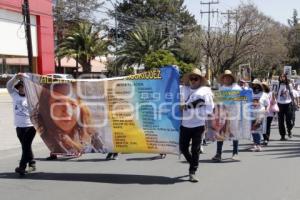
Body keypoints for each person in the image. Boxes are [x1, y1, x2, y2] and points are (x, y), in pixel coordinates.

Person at [31, 82, 104, 155]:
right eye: (58, 102)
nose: (67, 111)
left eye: (72, 104)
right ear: (47, 108)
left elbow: (103, 149)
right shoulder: (48, 138)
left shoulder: (91, 134)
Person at [180, 68, 214, 182]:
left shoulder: (205, 92)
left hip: (198, 125)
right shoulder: (182, 90)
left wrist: (194, 110)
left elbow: (209, 109)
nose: (193, 80)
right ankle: (193, 163)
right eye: (191, 78)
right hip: (184, 124)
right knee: (183, 148)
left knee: (196, 149)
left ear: (200, 80)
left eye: (196, 78)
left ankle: (192, 171)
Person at [7, 73, 37, 175]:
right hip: (19, 126)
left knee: (25, 146)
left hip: (30, 126)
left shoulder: (32, 97)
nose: (21, 89)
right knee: (26, 146)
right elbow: (8, 85)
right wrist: (16, 77)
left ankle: (22, 167)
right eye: (20, 87)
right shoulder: (14, 94)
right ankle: (32, 163)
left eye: (23, 87)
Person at [212, 70, 241, 162]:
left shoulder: (237, 88)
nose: (226, 79)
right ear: (223, 79)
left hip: (234, 114)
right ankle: (218, 153)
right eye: (225, 77)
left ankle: (235, 153)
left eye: (228, 77)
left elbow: (243, 99)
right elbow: (217, 101)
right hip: (223, 114)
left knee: (234, 133)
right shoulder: (221, 89)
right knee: (221, 132)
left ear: (232, 79)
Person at [276, 74, 295, 140]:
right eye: (281, 77)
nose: (282, 78)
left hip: (288, 104)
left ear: (285, 78)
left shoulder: (289, 85)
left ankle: (289, 131)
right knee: (280, 121)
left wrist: (294, 103)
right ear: (279, 78)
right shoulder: (278, 85)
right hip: (280, 104)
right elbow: (274, 94)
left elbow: (291, 94)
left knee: (289, 120)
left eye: (283, 77)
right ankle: (282, 135)